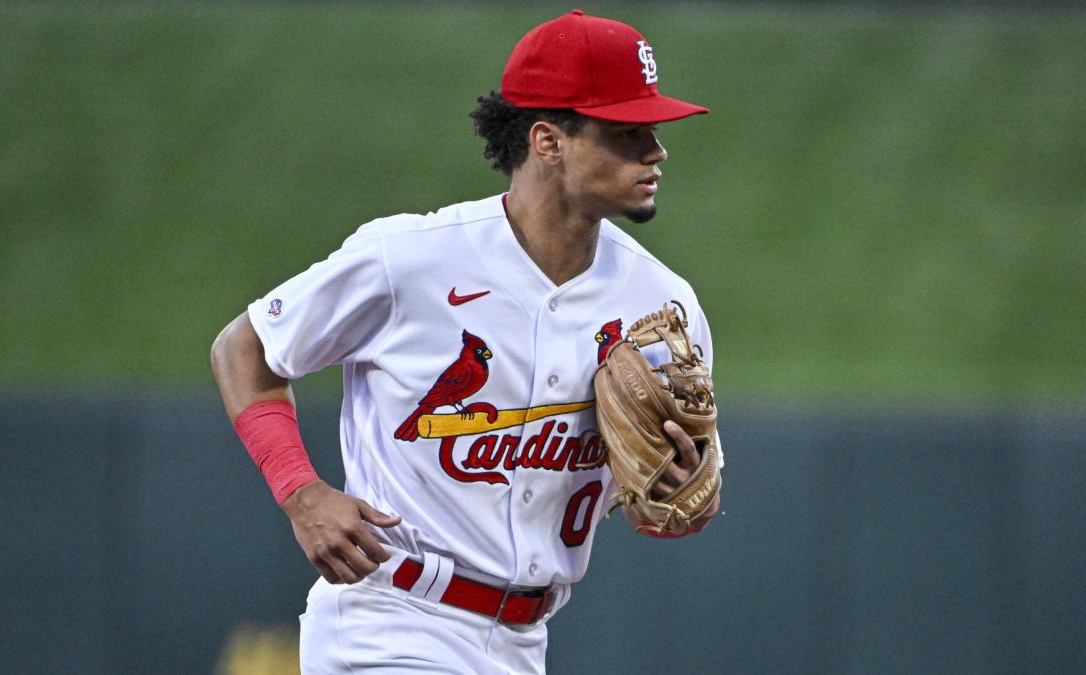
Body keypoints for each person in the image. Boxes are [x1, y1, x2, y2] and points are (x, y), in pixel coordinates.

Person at [211, 9, 722, 674]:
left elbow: (675, 500)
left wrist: (680, 492)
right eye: (627, 131)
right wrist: (301, 492)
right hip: (389, 622)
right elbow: (244, 348)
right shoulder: (411, 260)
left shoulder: (663, 304)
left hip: (522, 643)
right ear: (547, 140)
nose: (656, 150)